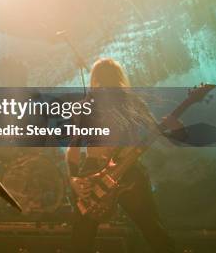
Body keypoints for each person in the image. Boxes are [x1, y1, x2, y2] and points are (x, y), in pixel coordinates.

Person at [66, 58, 180, 253]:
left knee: (82, 239)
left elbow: (72, 149)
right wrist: (74, 179)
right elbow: (165, 141)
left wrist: (74, 178)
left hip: (120, 170)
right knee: (153, 230)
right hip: (114, 172)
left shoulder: (131, 103)